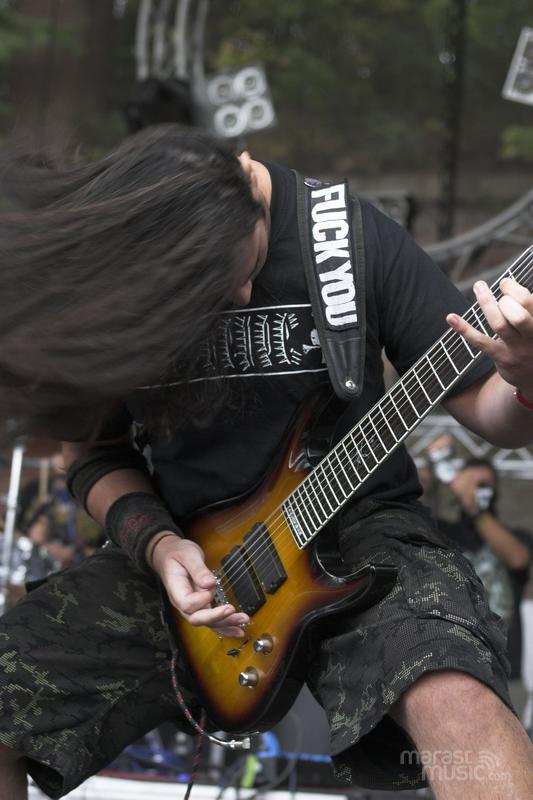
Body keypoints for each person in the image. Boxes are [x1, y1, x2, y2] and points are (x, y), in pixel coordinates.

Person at [0, 124, 532, 800]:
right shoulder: (123, 273)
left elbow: (488, 412)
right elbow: (93, 454)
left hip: (360, 528)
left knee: (457, 700)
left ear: (249, 191)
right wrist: (159, 546)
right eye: (212, 290)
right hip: (189, 556)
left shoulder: (346, 235)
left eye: (245, 268)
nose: (244, 296)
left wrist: (524, 377)